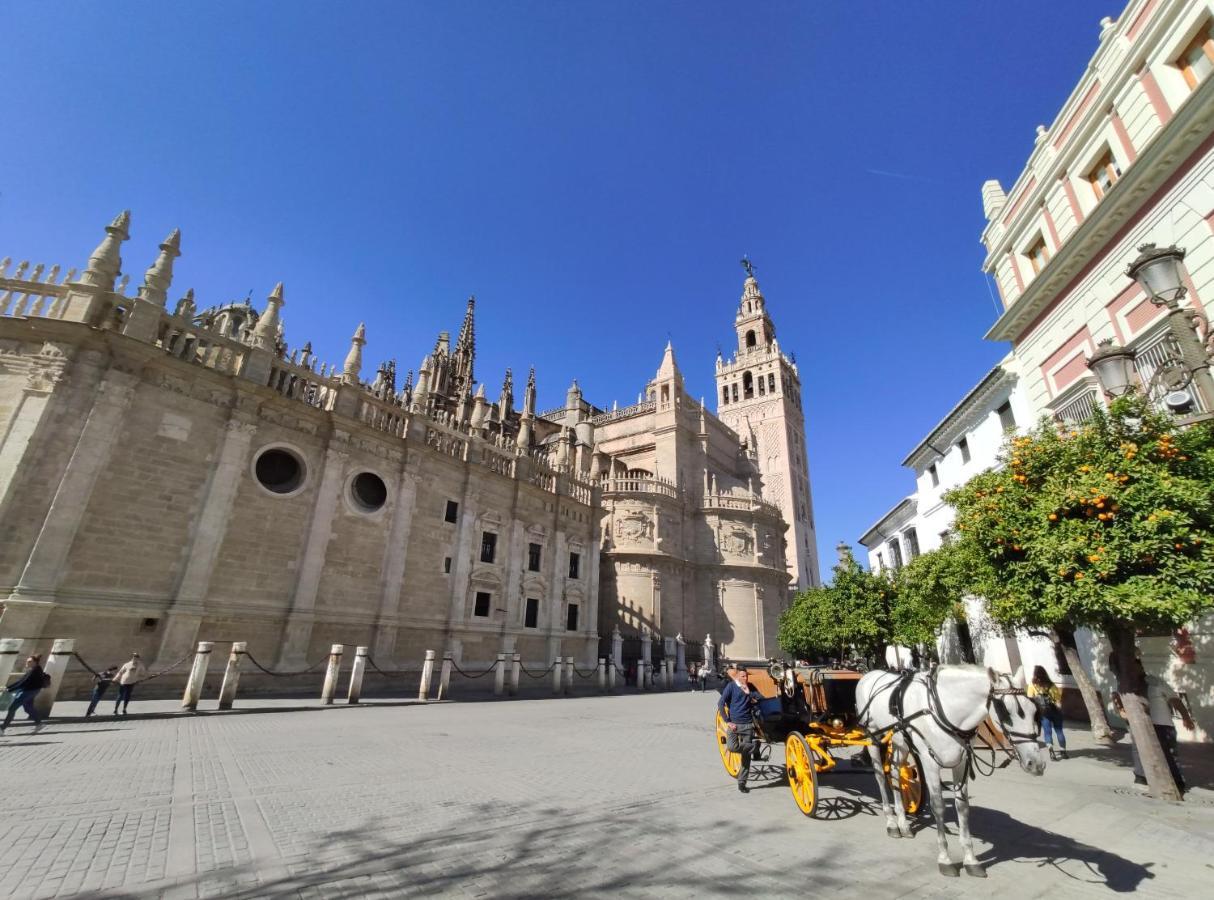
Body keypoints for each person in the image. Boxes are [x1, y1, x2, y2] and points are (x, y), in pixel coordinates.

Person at [1117, 659, 1194, 794]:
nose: (1133, 671)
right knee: (1138, 750)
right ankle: (1141, 778)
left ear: (1141, 667)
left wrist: (1186, 717)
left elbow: (1175, 699)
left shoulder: (1155, 682)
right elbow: (1117, 698)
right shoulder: (1126, 685)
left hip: (1162, 725)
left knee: (1169, 755)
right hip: (1140, 725)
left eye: (1135, 667)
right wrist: (1121, 710)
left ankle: (1177, 782)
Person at [717, 666, 760, 793]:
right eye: (742, 676)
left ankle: (742, 782)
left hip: (747, 725)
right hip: (734, 725)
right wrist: (728, 721)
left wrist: (749, 693)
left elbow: (760, 698)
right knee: (731, 747)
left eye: (746, 676)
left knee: (745, 757)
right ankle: (755, 747)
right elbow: (720, 703)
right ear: (737, 676)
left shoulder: (749, 686)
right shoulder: (731, 686)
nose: (745, 678)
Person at [1, 654, 48, 736]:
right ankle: (39, 724)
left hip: (29, 691)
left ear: (35, 662)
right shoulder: (33, 669)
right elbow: (20, 681)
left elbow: (23, 683)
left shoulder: (34, 671)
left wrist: (9, 689)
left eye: (30, 661)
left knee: (12, 708)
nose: (27, 663)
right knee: (28, 708)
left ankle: (2, 728)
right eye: (27, 661)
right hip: (32, 690)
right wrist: (8, 688)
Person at [1027, 665, 1067, 760]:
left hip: (1043, 713)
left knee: (1047, 732)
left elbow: (1030, 698)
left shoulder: (1032, 685)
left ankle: (1051, 752)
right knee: (1059, 731)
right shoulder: (1051, 685)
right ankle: (1063, 752)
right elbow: (1058, 700)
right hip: (1055, 711)